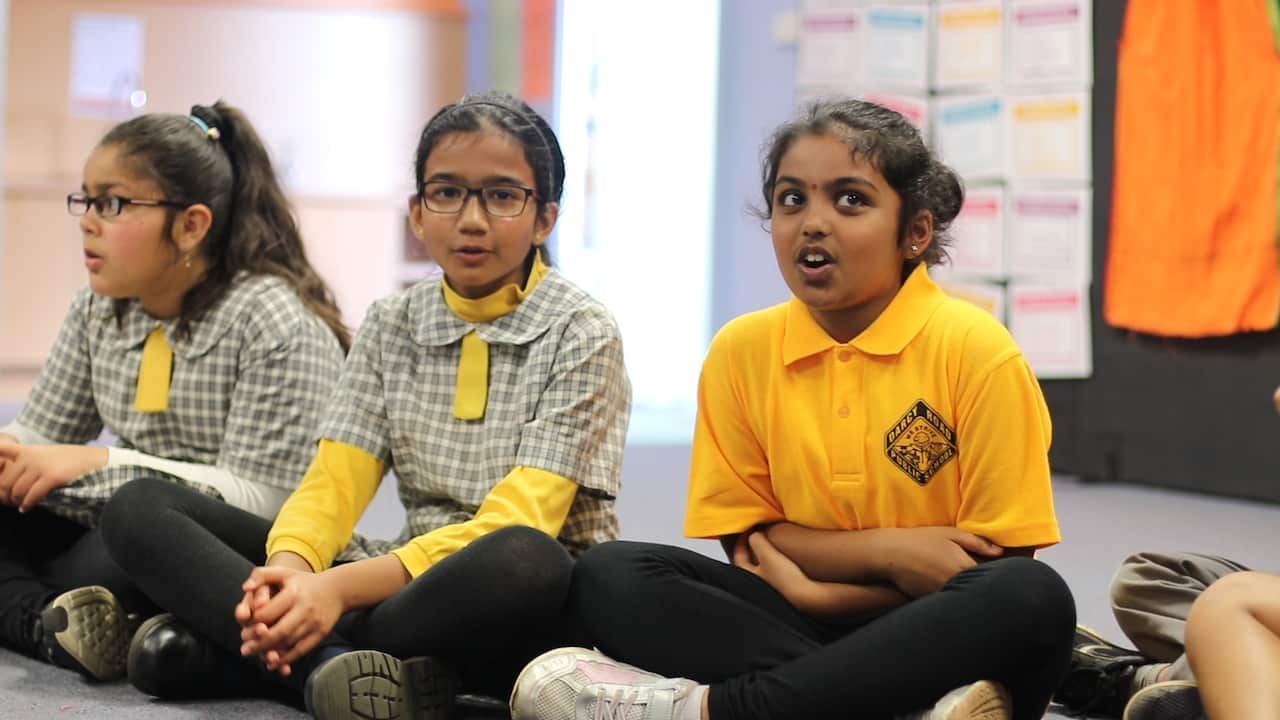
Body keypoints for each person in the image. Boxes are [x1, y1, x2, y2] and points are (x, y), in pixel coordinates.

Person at [510, 98, 1075, 720]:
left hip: (938, 631)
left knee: (1030, 597)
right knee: (609, 573)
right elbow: (752, 543)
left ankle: (712, 710)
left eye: (851, 199)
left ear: (914, 232)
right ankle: (896, 706)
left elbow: (987, 568)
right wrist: (888, 554)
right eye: (791, 199)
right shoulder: (741, 351)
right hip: (792, 620)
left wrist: (821, 585)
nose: (813, 222)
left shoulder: (977, 351)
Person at [99, 91, 632, 720]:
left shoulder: (582, 330)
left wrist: (334, 590)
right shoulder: (391, 320)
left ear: (544, 218)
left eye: (502, 195)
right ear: (416, 213)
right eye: (447, 192)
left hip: (512, 597)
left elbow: (521, 521)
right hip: (394, 585)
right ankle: (328, 665)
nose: (471, 219)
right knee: (137, 505)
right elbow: (333, 482)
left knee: (524, 555)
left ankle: (266, 651)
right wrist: (294, 574)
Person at [0, 101, 348, 683]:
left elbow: (267, 500)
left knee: (132, 522)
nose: (87, 220)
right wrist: (11, 450)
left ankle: (79, 622)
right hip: (123, 530)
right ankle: (57, 627)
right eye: (85, 200)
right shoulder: (99, 306)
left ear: (191, 225)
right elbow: (43, 435)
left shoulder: (271, 319)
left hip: (238, 546)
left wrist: (100, 463)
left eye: (112, 203)